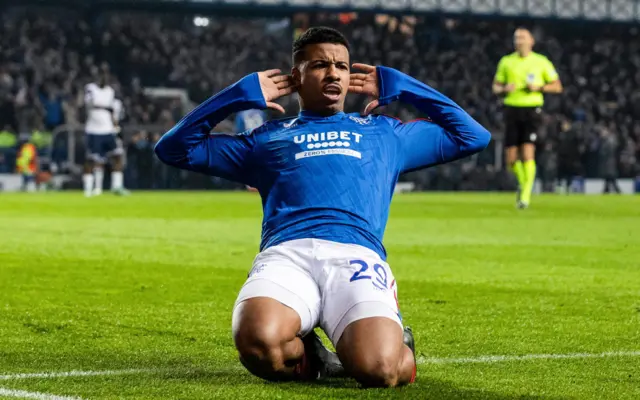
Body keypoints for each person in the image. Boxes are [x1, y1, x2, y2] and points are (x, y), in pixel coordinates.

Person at [155, 27, 490, 387]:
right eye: (320, 65)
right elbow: (174, 149)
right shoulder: (265, 140)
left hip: (356, 257)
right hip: (287, 257)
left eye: (342, 66)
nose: (334, 74)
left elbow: (472, 136)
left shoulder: (383, 133)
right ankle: (318, 360)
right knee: (258, 344)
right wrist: (238, 96)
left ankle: (398, 346)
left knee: (380, 369)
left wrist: (403, 85)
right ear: (295, 78)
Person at [493, 27, 563, 208]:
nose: (519, 41)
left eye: (522, 38)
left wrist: (539, 87)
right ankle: (524, 184)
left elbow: (557, 86)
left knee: (527, 151)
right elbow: (495, 87)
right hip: (511, 109)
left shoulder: (541, 62)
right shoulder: (506, 62)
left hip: (531, 110)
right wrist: (503, 89)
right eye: (516, 38)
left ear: (531, 41)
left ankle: (525, 195)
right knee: (510, 160)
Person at [82, 70, 128, 197]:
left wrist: (115, 124)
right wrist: (106, 107)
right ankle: (92, 189)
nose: (104, 78)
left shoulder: (110, 92)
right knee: (93, 159)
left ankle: (117, 187)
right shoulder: (90, 89)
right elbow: (90, 103)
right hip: (94, 129)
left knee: (117, 156)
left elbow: (113, 110)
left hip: (108, 129)